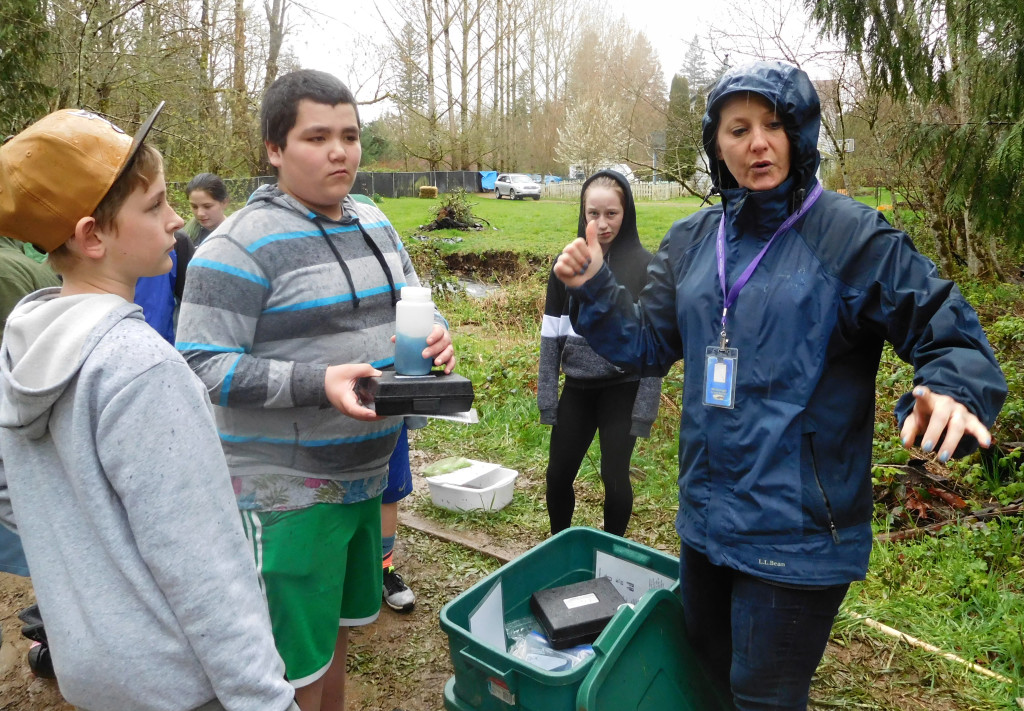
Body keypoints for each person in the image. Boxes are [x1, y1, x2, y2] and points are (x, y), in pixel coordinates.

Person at [553, 60, 1007, 710]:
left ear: (800, 133)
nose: (757, 143)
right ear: (716, 143)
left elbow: (947, 327)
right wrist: (595, 286)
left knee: (762, 696)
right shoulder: (690, 241)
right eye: (737, 129)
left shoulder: (852, 237)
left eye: (773, 124)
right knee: (705, 674)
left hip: (795, 538)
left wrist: (955, 386)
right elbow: (646, 345)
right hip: (705, 522)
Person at [176, 69, 456, 711]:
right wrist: (315, 382)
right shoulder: (239, 244)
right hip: (285, 494)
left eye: (351, 136)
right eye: (318, 137)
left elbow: (415, 307)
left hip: (363, 477)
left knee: (335, 639)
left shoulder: (376, 222)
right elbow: (197, 363)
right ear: (275, 149)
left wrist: (437, 338)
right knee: (288, 668)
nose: (340, 152)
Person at [0, 106, 297, 711]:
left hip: (97, 673)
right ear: (92, 236)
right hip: (175, 683)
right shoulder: (143, 370)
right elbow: (207, 570)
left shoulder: (23, 342)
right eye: (155, 205)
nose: (176, 218)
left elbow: (15, 496)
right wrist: (267, 702)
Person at [538, 170, 661, 537]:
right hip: (577, 387)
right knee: (558, 474)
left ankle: (612, 551)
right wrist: (548, 397)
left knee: (615, 476)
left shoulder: (645, 267)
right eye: (594, 214)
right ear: (583, 213)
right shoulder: (566, 264)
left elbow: (653, 346)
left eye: (612, 214)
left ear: (627, 214)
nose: (602, 224)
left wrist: (644, 410)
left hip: (623, 388)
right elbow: (551, 336)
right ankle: (558, 545)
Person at [181, 172, 230, 246]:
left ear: (224, 202)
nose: (200, 213)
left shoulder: (233, 236)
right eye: (194, 207)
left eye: (207, 206)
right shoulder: (187, 234)